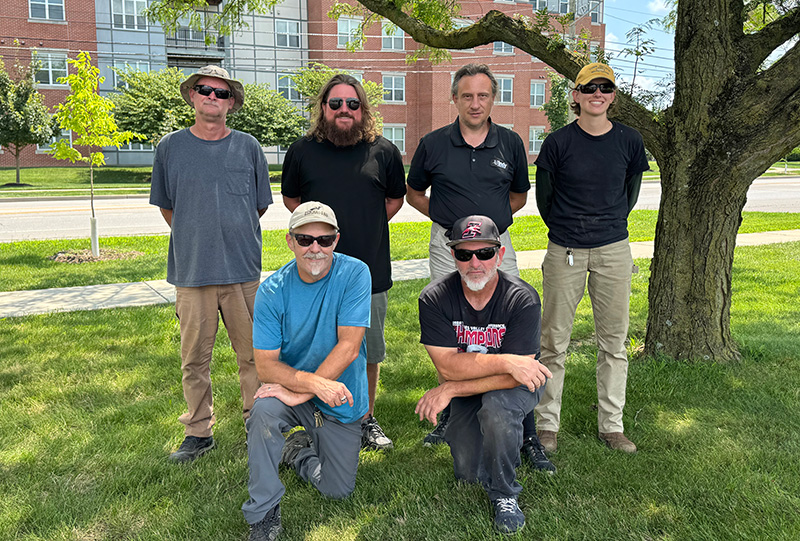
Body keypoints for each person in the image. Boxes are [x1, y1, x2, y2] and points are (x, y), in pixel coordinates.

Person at [406, 63, 541, 455]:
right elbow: (415, 193)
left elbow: (518, 196)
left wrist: (491, 228)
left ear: (493, 99)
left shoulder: (511, 142)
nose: (475, 103)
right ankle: (452, 407)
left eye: (483, 95)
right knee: (452, 327)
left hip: (496, 245)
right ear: (454, 99)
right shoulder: (433, 143)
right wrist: (448, 220)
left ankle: (525, 425)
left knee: (513, 325)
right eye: (467, 95)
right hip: (448, 246)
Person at [149, 65, 272, 463]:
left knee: (255, 356)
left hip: (242, 272)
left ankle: (260, 424)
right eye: (204, 90)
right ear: (191, 96)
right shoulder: (170, 147)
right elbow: (169, 208)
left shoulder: (248, 147)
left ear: (231, 102)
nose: (212, 97)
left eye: (221, 93)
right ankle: (198, 432)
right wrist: (198, 233)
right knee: (194, 359)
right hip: (193, 272)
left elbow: (258, 205)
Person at [281, 74, 406, 451]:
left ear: (363, 109)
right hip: (315, 271)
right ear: (323, 108)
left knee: (367, 350)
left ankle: (365, 418)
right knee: (313, 346)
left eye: (352, 104)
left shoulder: (383, 151)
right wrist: (319, 238)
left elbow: (393, 201)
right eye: (335, 103)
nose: (344, 110)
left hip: (369, 271)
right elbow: (292, 201)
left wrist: (361, 223)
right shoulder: (302, 151)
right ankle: (315, 416)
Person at [533, 62, 649, 454]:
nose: (597, 94)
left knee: (614, 341)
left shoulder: (630, 141)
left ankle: (611, 426)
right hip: (564, 249)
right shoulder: (558, 143)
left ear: (613, 96)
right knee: (553, 341)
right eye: (589, 87)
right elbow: (544, 198)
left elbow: (630, 193)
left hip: (613, 249)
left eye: (606, 88)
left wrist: (607, 225)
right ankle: (546, 424)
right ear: (577, 96)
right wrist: (570, 230)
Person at [415, 215, 553, 534]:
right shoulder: (433, 298)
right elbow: (448, 367)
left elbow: (523, 374)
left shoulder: (523, 298)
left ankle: (505, 494)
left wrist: (450, 390)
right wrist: (507, 361)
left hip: (518, 385)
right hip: (475, 381)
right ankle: (508, 441)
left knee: (497, 409)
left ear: (500, 255)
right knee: (468, 472)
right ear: (453, 256)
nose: (474, 262)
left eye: (485, 253)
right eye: (464, 254)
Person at [242, 201, 371, 541]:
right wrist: (307, 387)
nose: (315, 247)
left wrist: (304, 389)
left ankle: (298, 452)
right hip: (297, 391)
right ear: (289, 241)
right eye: (305, 239)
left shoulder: (356, 273)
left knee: (337, 490)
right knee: (264, 411)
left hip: (337, 396)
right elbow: (265, 364)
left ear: (336, 241)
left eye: (324, 240)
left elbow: (350, 347)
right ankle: (264, 510)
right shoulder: (271, 291)